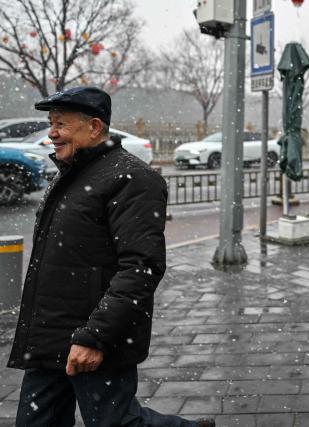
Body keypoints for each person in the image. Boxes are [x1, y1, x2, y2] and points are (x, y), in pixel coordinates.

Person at [7, 87, 214, 427]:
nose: (52, 133)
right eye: (51, 122)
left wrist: (95, 337)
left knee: (118, 423)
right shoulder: (70, 173)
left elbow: (141, 268)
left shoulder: (132, 178)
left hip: (93, 337)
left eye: (61, 123)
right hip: (49, 337)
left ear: (94, 127)